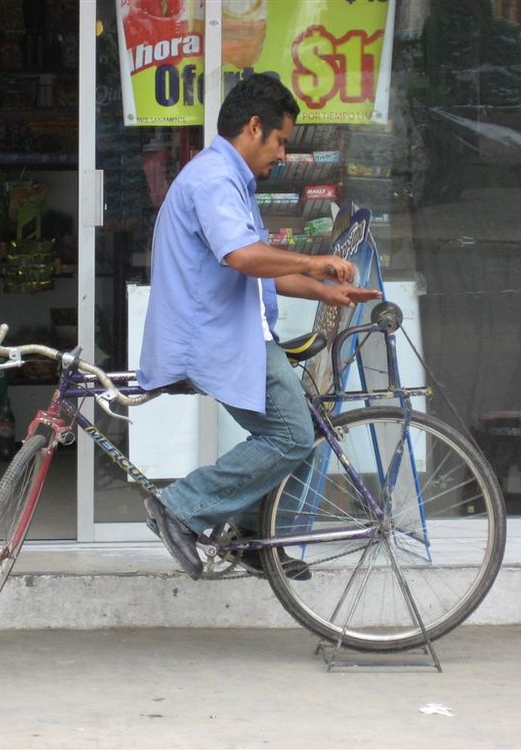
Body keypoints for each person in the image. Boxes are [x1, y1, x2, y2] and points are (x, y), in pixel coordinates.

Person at [137, 73, 381, 580]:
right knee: (293, 434)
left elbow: (259, 273)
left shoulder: (230, 181)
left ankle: (252, 539)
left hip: (234, 332)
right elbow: (244, 256)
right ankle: (180, 505)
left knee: (309, 431)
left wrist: (324, 291)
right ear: (254, 127)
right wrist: (317, 264)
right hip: (216, 336)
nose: (284, 155)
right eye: (282, 141)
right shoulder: (213, 180)